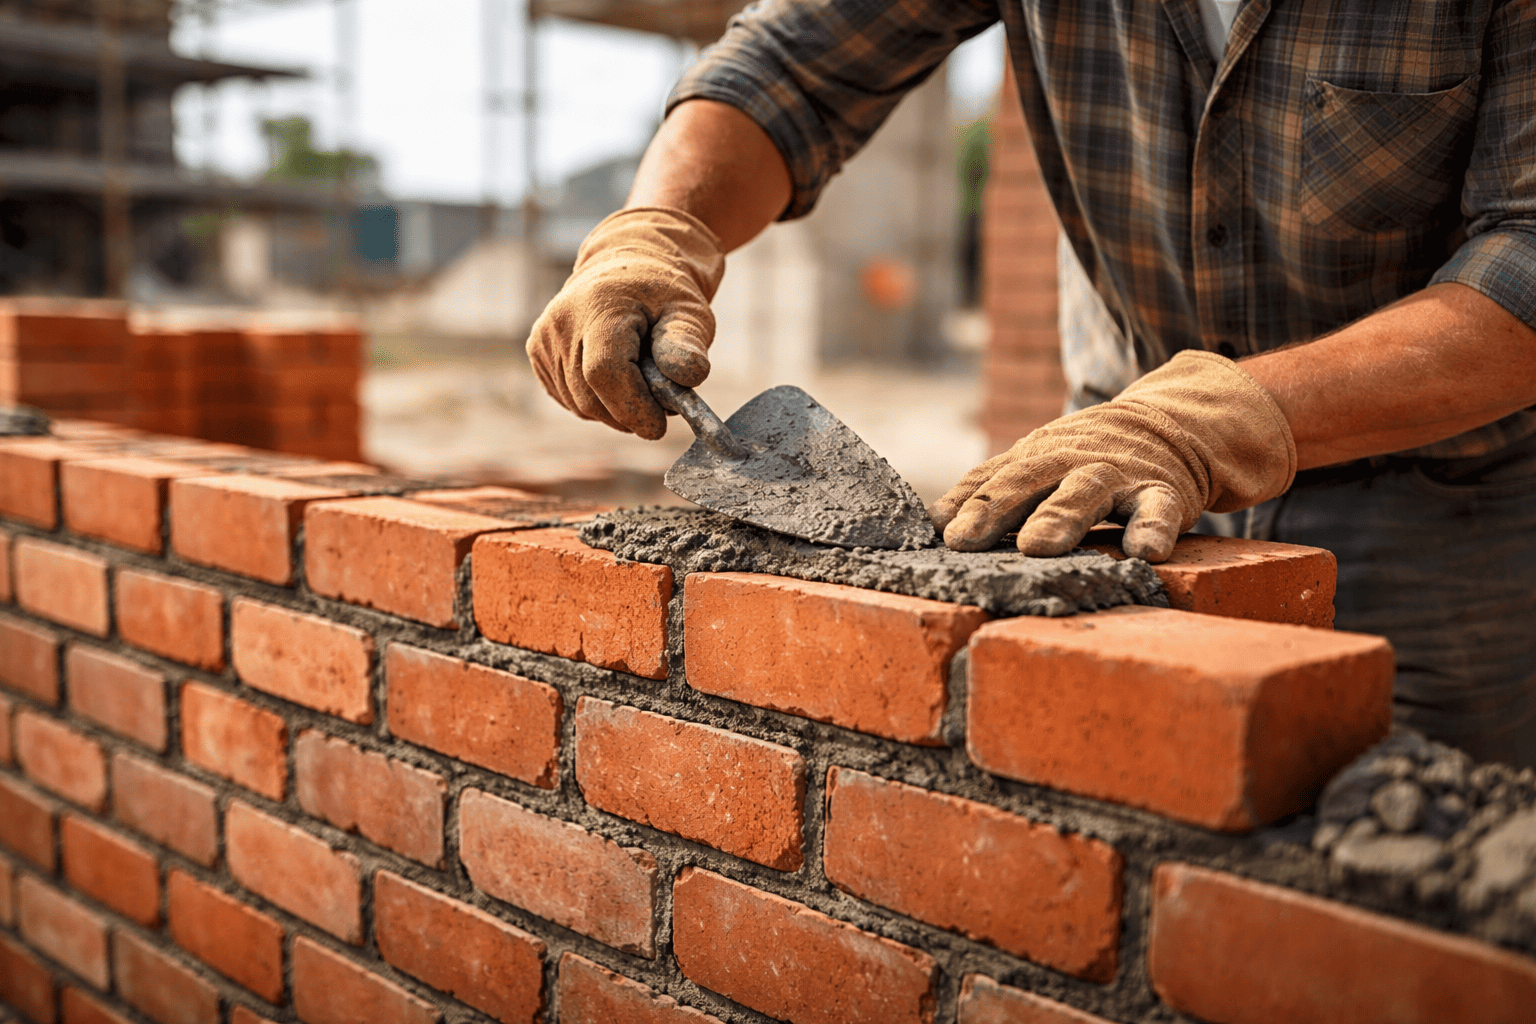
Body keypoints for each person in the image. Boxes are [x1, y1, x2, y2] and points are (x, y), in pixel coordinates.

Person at [526, 0, 1536, 768]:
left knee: (1408, 853)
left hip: (1442, 486)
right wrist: (656, 228)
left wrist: (1213, 420)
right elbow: (793, 63)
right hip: (1110, 472)